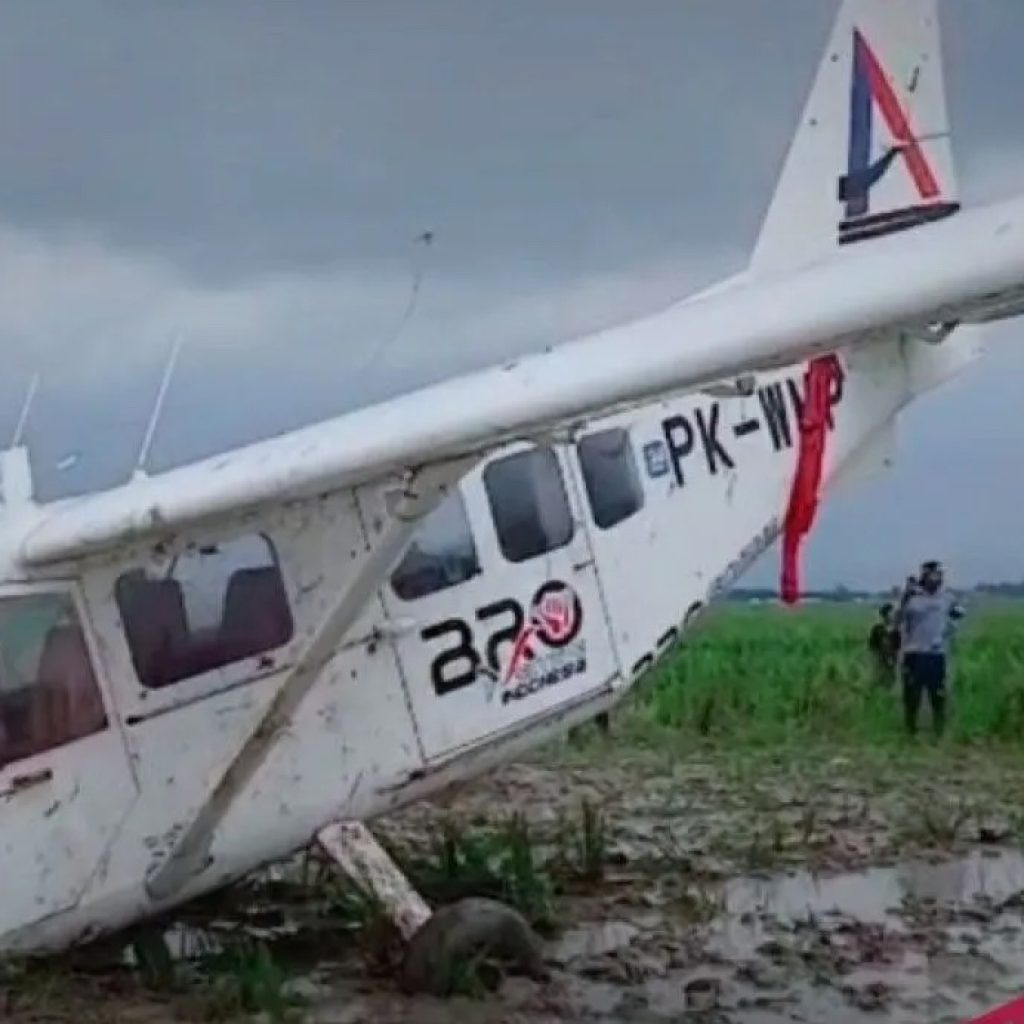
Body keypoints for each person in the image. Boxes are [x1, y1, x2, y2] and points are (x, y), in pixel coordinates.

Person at [894, 560, 965, 738]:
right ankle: (910, 733)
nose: (937, 578)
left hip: (936, 654)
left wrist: (950, 628)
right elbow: (897, 620)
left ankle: (938, 733)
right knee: (912, 696)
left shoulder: (946, 597)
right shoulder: (912, 597)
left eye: (939, 574)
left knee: (937, 695)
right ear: (924, 576)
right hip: (914, 653)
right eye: (933, 574)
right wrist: (904, 598)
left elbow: (959, 613)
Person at [867, 602, 899, 685]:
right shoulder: (877, 629)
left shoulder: (897, 630)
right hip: (880, 660)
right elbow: (872, 647)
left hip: (893, 661)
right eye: (891, 613)